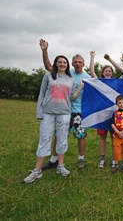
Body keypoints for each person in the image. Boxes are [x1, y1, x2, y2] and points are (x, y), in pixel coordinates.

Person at [23, 55, 83, 183]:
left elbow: (72, 98)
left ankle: (60, 166)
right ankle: (37, 170)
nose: (62, 64)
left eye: (64, 62)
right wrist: (39, 112)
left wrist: (79, 88)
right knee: (44, 139)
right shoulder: (48, 76)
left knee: (62, 139)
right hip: (48, 112)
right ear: (56, 64)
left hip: (64, 113)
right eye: (60, 62)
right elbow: (42, 94)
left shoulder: (71, 79)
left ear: (67, 65)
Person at [40, 39, 91, 169]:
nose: (78, 64)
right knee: (58, 135)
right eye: (75, 62)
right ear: (72, 64)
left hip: (80, 111)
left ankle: (81, 159)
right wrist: (45, 51)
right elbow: (48, 67)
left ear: (83, 64)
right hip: (64, 110)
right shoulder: (67, 74)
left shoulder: (88, 78)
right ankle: (54, 159)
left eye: (80, 62)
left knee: (80, 135)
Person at [90, 50, 115, 168]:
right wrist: (92, 57)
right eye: (106, 71)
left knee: (114, 136)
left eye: (110, 71)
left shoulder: (117, 82)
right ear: (103, 72)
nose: (108, 72)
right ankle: (102, 157)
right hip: (102, 112)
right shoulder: (99, 82)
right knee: (102, 136)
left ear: (112, 73)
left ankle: (115, 157)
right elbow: (91, 71)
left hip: (114, 113)